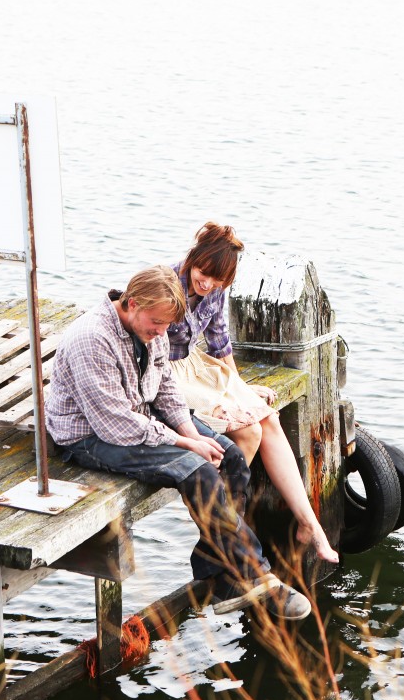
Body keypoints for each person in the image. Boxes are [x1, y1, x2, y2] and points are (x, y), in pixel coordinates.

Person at [45, 264, 312, 620]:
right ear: (132, 303)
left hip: (138, 416)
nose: (161, 333)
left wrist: (192, 433)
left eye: (166, 326)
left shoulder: (153, 328)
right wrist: (187, 445)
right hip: (89, 436)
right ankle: (255, 575)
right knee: (199, 472)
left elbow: (166, 390)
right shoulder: (91, 340)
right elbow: (115, 425)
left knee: (231, 457)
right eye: (157, 324)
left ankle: (221, 573)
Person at [169, 222, 340, 564]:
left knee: (268, 419)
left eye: (217, 280)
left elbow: (219, 341)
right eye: (203, 273)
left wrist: (239, 387)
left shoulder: (215, 290)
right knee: (250, 429)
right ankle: (221, 533)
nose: (207, 283)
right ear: (193, 258)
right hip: (168, 375)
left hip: (195, 367)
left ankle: (309, 524)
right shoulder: (168, 282)